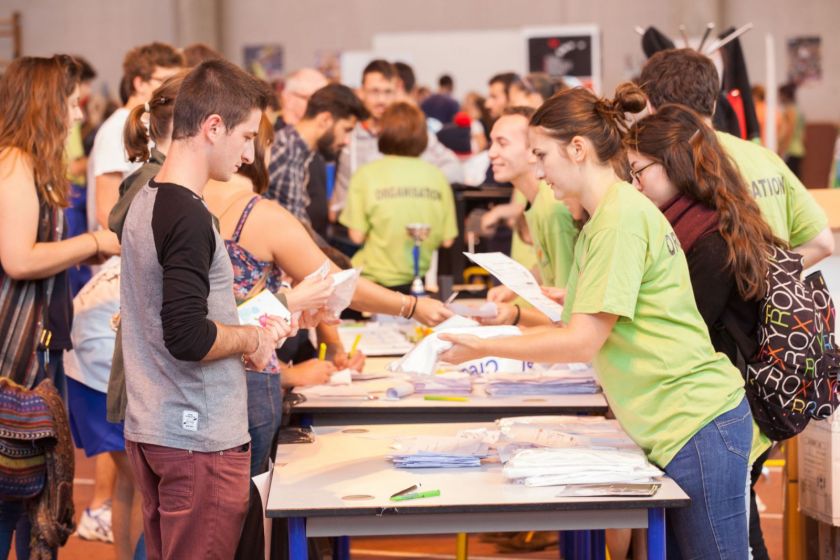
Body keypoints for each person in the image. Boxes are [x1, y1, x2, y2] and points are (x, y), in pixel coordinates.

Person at [440, 86, 756, 558]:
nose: (540, 170)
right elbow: (576, 323)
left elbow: (582, 341)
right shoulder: (606, 217)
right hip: (677, 424)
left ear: (578, 148)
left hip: (695, 422)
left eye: (542, 155)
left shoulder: (618, 218)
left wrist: (487, 344)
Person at [119, 59, 291, 560]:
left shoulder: (148, 199)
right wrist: (252, 338)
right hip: (197, 438)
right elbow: (189, 337)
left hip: (160, 427)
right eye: (245, 135)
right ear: (212, 127)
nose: (250, 151)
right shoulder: (188, 214)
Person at [625, 101, 782, 560]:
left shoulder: (706, 237)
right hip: (718, 409)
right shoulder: (701, 221)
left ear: (674, 162)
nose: (634, 185)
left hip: (720, 413)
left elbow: (681, 326)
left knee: (728, 546)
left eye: (640, 171)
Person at [0, 54, 120, 560]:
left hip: (35, 351)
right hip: (15, 356)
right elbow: (20, 258)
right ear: (46, 103)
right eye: (71, 104)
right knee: (14, 489)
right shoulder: (15, 162)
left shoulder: (29, 163)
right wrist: (95, 241)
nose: (77, 115)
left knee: (31, 496)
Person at [80, 41, 183, 544]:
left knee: (129, 467)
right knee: (129, 463)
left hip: (123, 299)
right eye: (166, 77)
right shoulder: (120, 136)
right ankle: (100, 513)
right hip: (110, 300)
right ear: (141, 83)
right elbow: (109, 214)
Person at [639, 48, 833, 265]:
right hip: (772, 297)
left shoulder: (660, 170)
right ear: (714, 104)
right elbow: (822, 243)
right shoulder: (765, 157)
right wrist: (769, 277)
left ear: (648, 105)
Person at [479, 107, 582, 327]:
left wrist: (515, 314)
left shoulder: (553, 208)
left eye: (502, 143)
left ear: (532, 150)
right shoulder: (536, 202)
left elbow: (565, 311)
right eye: (491, 142)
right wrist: (515, 287)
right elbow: (547, 264)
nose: (491, 152)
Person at [340, 102, 458, 291]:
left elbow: (356, 235)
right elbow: (447, 239)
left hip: (372, 282)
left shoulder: (366, 174)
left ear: (383, 132)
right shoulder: (437, 176)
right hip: (419, 280)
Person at [330, 59, 463, 219]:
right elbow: (338, 205)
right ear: (361, 92)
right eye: (374, 91)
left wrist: (412, 186)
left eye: (387, 92)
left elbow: (455, 169)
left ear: (397, 92)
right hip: (359, 232)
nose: (381, 100)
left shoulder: (415, 132)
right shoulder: (348, 138)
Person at [267, 83, 368, 225]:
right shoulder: (285, 151)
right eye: (346, 129)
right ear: (325, 119)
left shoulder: (299, 152)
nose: (347, 141)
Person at [778, 82, 806, 178]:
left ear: (785, 95)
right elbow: (803, 134)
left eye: (780, 95)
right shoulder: (799, 110)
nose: (779, 97)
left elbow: (789, 131)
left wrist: (782, 149)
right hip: (799, 149)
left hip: (791, 150)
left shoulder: (790, 110)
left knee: (789, 179)